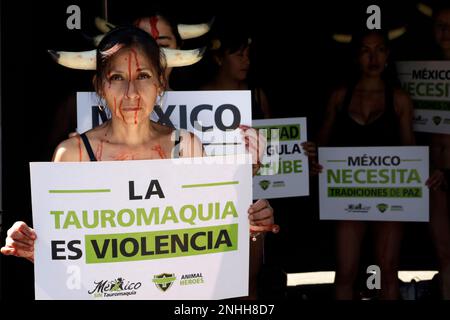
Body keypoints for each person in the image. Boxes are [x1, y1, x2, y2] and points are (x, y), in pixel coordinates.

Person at [0, 26, 277, 299]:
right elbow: (63, 261)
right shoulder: (73, 155)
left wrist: (250, 222)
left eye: (143, 76)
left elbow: (213, 251)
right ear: (99, 86)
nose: (131, 92)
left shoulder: (187, 147)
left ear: (160, 83)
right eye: (117, 77)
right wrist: (34, 249)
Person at [316, 29, 415, 300]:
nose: (373, 57)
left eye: (379, 49)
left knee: (389, 270)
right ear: (356, 56)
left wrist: (423, 177)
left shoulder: (400, 99)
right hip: (349, 195)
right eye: (365, 50)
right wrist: (313, 161)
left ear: (388, 55)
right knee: (345, 271)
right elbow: (320, 148)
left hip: (390, 195)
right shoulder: (339, 96)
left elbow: (410, 154)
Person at [420, 3, 450, 299]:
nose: (445, 31)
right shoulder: (421, 74)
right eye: (440, 24)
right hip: (435, 177)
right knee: (444, 255)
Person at [199, 18, 271, 120]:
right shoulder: (200, 97)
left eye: (248, 55)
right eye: (240, 55)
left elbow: (270, 130)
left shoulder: (257, 95)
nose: (247, 61)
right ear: (219, 58)